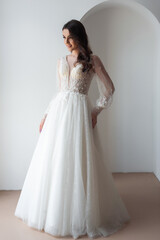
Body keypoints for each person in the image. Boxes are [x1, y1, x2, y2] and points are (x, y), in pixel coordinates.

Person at [14, 19, 130, 239]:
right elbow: (60, 91)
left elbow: (110, 89)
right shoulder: (61, 60)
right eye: (63, 37)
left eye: (70, 37)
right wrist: (46, 115)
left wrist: (95, 112)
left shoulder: (92, 60)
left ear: (79, 36)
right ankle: (55, 212)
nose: (66, 42)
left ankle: (79, 213)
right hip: (59, 115)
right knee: (55, 161)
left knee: (78, 160)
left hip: (79, 115)